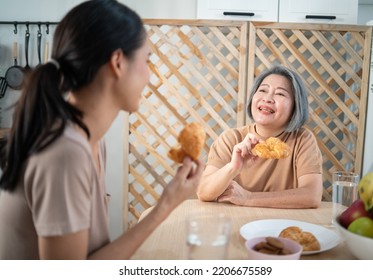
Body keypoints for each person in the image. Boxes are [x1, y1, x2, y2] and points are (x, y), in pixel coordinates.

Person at [0, 0, 204, 260]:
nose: (149, 76)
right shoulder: (66, 151)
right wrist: (165, 206)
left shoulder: (91, 140)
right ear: (118, 62)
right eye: (147, 60)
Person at [197, 65, 322, 209]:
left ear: (295, 106)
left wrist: (248, 198)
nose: (268, 98)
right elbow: (204, 193)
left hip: (282, 225)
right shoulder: (231, 139)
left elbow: (312, 196)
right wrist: (233, 167)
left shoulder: (303, 140)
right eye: (263, 90)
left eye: (280, 94)